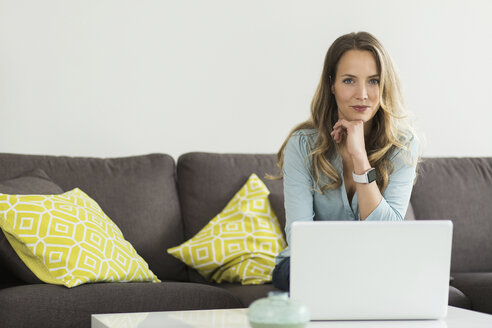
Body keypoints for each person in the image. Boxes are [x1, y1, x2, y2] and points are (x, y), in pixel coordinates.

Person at [271, 31, 420, 291]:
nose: (362, 94)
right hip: (309, 266)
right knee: (299, 274)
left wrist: (360, 158)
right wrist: (350, 264)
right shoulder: (302, 145)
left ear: (385, 85)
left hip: (377, 264)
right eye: (349, 80)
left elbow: (388, 236)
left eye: (373, 81)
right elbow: (300, 238)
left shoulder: (403, 146)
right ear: (332, 84)